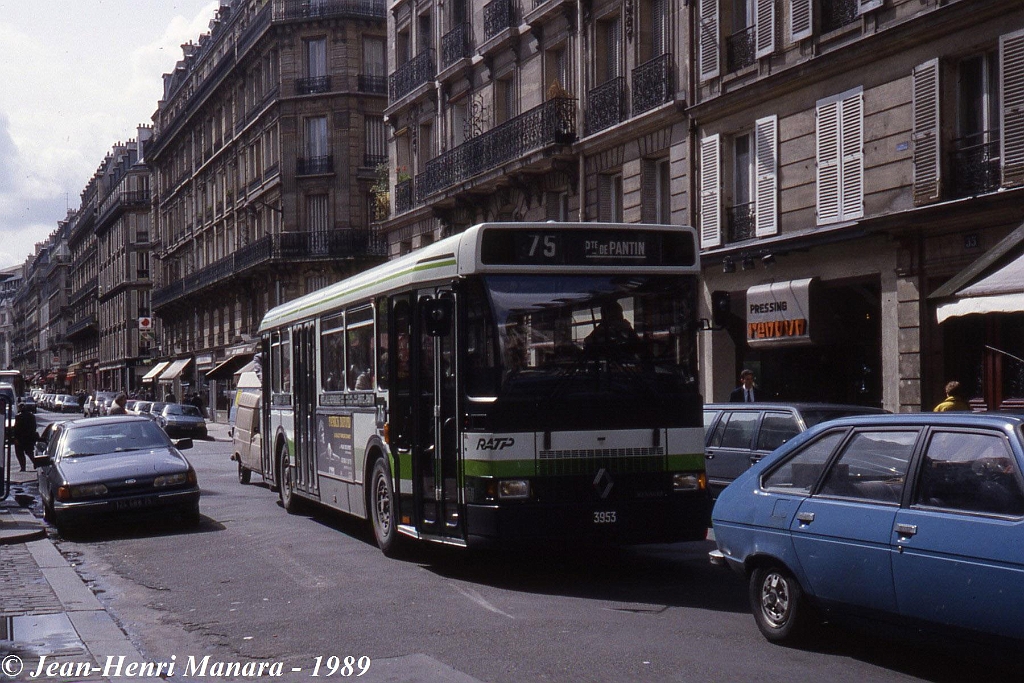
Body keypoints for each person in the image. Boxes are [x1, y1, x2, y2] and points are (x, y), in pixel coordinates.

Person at [12, 402, 38, 471]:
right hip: (29, 438)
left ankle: (23, 467)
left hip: (20, 438)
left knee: (20, 454)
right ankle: (36, 464)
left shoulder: (18, 416)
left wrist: (15, 438)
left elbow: (16, 429)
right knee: (30, 453)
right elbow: (34, 427)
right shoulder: (32, 416)